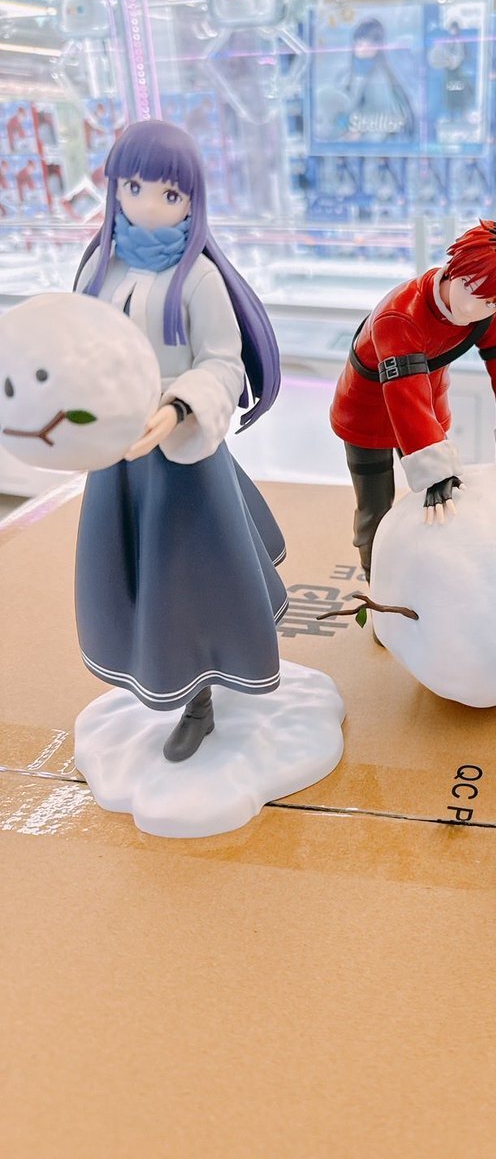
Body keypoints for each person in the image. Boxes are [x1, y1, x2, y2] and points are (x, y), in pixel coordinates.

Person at [73, 119, 285, 763]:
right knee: (127, 574)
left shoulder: (198, 278)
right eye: (133, 187)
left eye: (169, 194)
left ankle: (199, 697)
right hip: (116, 455)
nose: (147, 205)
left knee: (190, 580)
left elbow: (222, 362)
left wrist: (174, 409)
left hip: (182, 457)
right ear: (114, 187)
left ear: (192, 200)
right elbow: (77, 343)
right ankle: (154, 672)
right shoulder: (99, 265)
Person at [330, 219, 496, 579]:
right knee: (375, 509)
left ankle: (433, 574)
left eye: (491, 301)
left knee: (444, 500)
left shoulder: (488, 312)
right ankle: (378, 583)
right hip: (366, 416)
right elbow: (404, 393)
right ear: (455, 268)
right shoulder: (399, 314)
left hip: (427, 413)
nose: (473, 307)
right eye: (470, 287)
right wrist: (434, 470)